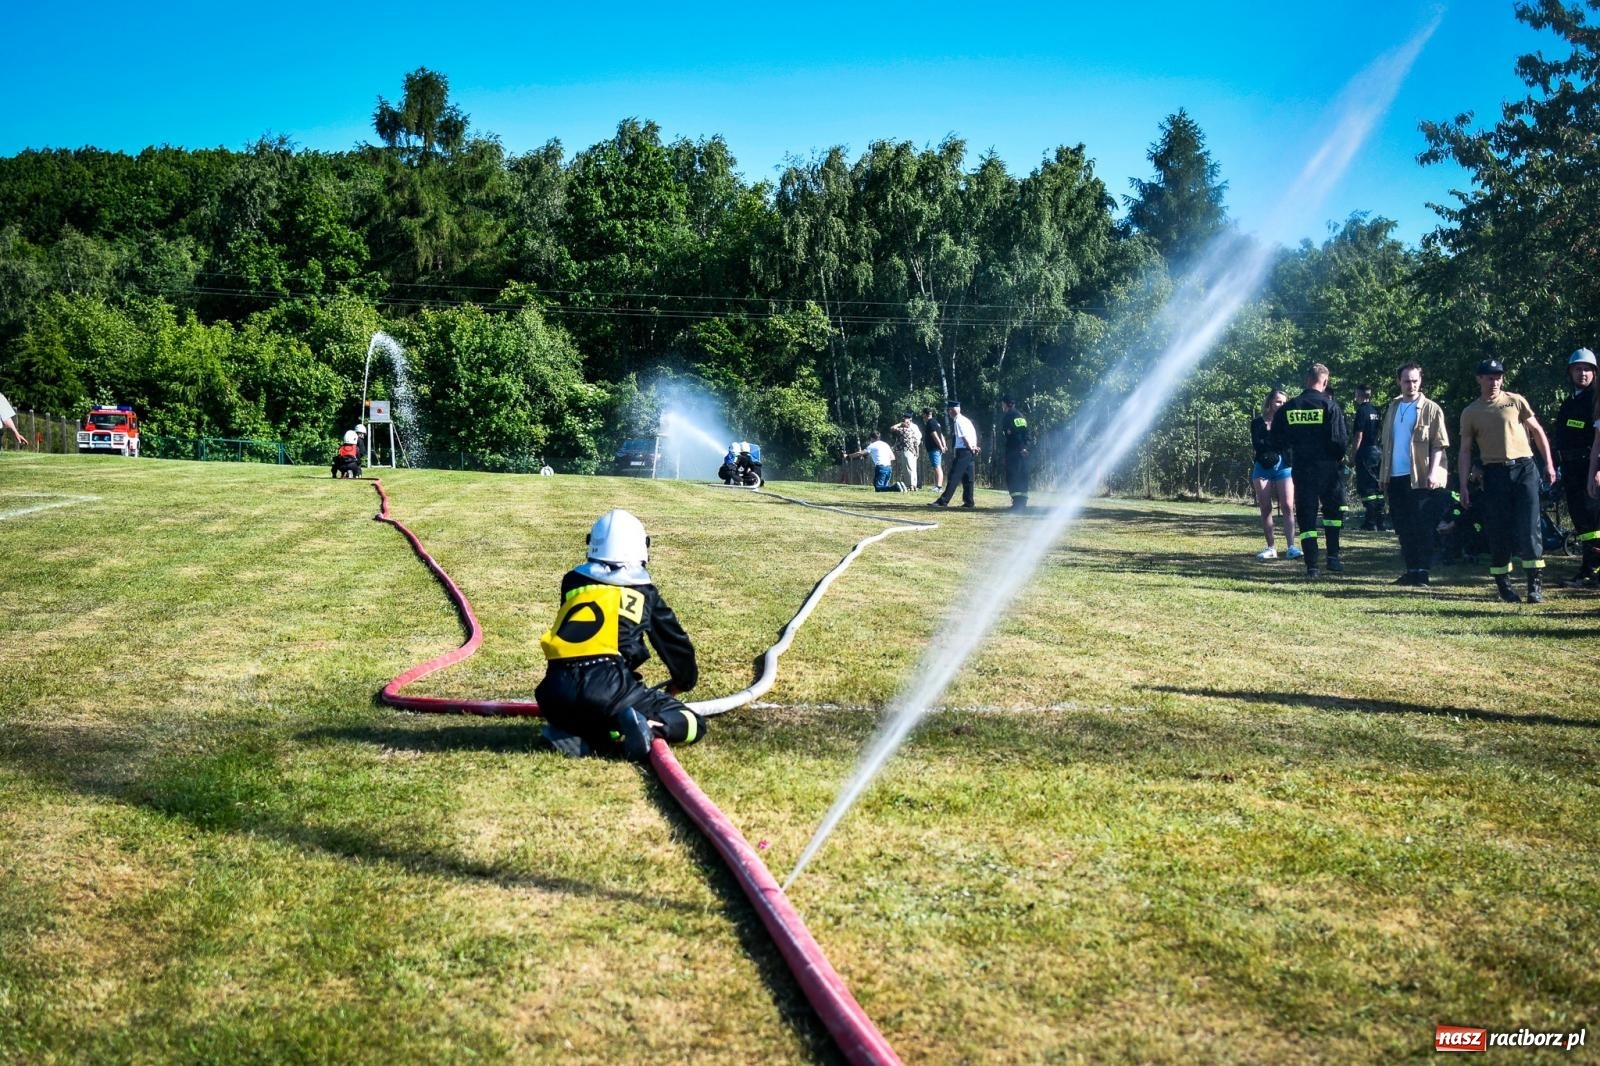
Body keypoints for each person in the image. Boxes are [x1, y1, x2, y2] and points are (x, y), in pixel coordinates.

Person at [535, 509, 705, 760]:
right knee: (694, 723)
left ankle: (574, 734)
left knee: (603, 720)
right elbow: (673, 642)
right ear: (642, 548)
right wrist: (684, 680)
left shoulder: (572, 582)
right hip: (609, 685)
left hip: (554, 691)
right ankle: (649, 728)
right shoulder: (644, 592)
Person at [1458, 358, 1558, 603]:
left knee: (1529, 526)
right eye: (1489, 377)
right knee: (1498, 529)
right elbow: (1465, 451)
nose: (1494, 382)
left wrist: (1549, 464)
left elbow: (1537, 431)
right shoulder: (1471, 412)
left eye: (1498, 377)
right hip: (1495, 474)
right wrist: (1463, 485)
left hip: (1524, 468)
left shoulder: (1515, 401)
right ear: (1479, 379)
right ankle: (1504, 584)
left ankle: (1534, 585)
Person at [1270, 363, 1350, 577]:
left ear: (1307, 380)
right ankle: (1333, 557)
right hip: (1328, 468)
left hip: (1302, 469)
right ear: (1325, 382)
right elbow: (1340, 441)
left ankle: (1312, 565)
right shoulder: (1331, 407)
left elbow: (1277, 439)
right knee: (1332, 514)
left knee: (1307, 515)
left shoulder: (1291, 407)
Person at [1378, 363, 1450, 586]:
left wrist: (1432, 473)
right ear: (1399, 381)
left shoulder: (1431, 408)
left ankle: (1422, 572)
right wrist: (1384, 475)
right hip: (1396, 476)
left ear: (1421, 381)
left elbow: (1439, 444)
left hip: (1420, 477)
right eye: (1407, 381)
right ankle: (1410, 570)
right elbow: (1387, 443)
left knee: (1422, 526)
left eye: (1415, 381)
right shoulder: (1393, 407)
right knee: (1403, 526)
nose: (1411, 385)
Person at [1553, 348, 1599, 586]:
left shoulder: (1595, 399)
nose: (1583, 374)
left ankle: (1592, 570)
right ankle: (1588, 567)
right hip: (1571, 469)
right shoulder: (1570, 402)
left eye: (1587, 369)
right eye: (1578, 369)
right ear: (1570, 372)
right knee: (1582, 520)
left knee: (1594, 521)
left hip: (1590, 468)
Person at [1249, 388, 1301, 560]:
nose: (1281, 405)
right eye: (1278, 401)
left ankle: (1291, 546)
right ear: (1270, 402)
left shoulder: (1288, 422)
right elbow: (1258, 443)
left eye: (1284, 402)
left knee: (1287, 506)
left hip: (1283, 465)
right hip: (1262, 466)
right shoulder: (1257, 423)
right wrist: (1271, 443)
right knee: (1265, 507)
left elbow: (1288, 443)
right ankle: (1271, 547)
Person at [929, 400, 979, 508]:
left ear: (952, 410)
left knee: (954, 476)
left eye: (949, 410)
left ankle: (943, 501)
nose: (949, 412)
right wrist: (974, 447)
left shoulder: (958, 421)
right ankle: (969, 502)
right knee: (968, 477)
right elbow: (972, 435)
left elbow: (964, 437)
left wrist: (970, 447)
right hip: (970, 451)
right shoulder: (966, 420)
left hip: (963, 451)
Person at [1350, 383, 1386, 531]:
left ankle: (1370, 522)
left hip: (1365, 452)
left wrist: (1353, 454)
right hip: (1377, 451)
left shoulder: (1362, 411)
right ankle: (1380, 521)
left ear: (1359, 394)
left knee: (1367, 488)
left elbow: (1359, 435)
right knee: (1378, 487)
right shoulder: (1375, 411)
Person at [1000, 397, 1031, 509]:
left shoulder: (1011, 416)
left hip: (1015, 451)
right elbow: (1026, 433)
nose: (1002, 407)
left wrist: (1022, 448)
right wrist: (1025, 447)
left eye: (1003, 404)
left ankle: (1018, 503)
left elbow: (1018, 434)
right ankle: (1021, 503)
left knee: (1013, 476)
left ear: (1007, 404)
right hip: (1020, 450)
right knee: (1021, 476)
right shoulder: (1020, 416)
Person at [889, 411, 923, 491]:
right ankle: (913, 485)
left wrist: (900, 424)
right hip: (914, 449)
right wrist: (917, 451)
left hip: (907, 450)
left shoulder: (904, 429)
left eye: (905, 419)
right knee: (912, 468)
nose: (904, 420)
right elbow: (917, 439)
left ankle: (910, 485)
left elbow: (892, 428)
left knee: (908, 468)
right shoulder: (913, 428)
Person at [921, 406, 947, 491]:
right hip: (936, 448)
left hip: (934, 448)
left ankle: (939, 487)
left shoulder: (930, 423)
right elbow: (941, 435)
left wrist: (941, 446)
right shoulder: (936, 422)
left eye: (923, 414)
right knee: (936, 466)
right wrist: (944, 445)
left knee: (937, 466)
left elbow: (935, 435)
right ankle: (937, 486)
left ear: (925, 414)